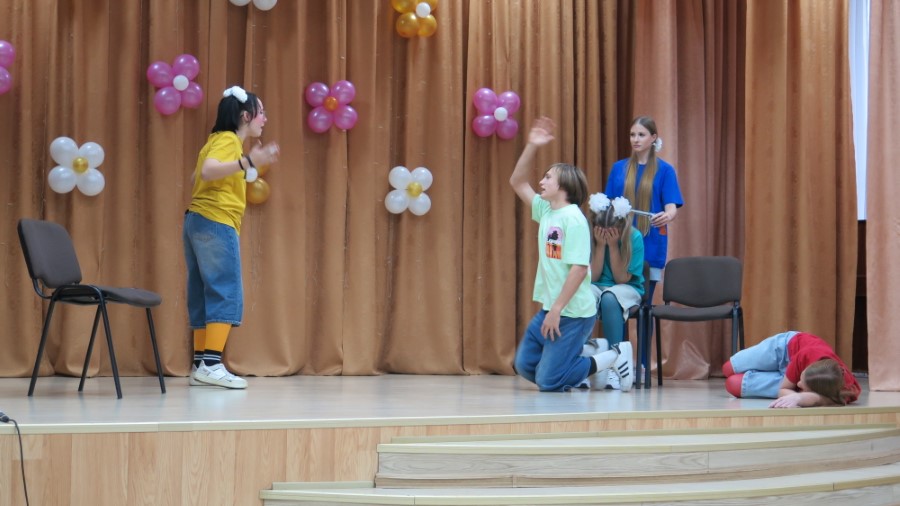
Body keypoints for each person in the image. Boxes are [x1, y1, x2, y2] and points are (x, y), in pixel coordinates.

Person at [509, 117, 633, 392]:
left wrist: (557, 310)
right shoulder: (546, 210)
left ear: (564, 185)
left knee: (548, 381)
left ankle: (611, 357)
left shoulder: (574, 220)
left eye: (548, 177)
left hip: (573, 313)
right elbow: (517, 181)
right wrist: (532, 145)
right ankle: (586, 353)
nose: (541, 181)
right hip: (551, 308)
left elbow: (579, 269)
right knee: (525, 365)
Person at [183, 85, 279, 389]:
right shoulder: (227, 140)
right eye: (261, 112)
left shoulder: (215, 140)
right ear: (245, 116)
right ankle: (211, 364)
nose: (264, 119)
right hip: (216, 221)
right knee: (225, 291)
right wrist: (248, 162)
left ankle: (201, 364)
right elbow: (208, 172)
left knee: (203, 292)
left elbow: (199, 175)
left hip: (197, 220)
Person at [604, 116, 683, 304]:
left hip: (651, 241)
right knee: (613, 301)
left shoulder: (665, 170)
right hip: (620, 242)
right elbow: (608, 204)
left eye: (641, 135)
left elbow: (671, 208)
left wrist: (667, 216)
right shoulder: (618, 168)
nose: (635, 139)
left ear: (653, 137)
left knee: (643, 305)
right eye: (632, 135)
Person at [582, 193, 644, 391]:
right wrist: (601, 246)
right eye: (601, 231)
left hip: (627, 287)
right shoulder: (588, 236)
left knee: (609, 298)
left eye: (611, 231)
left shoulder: (634, 237)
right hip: (596, 284)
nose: (606, 234)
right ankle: (581, 365)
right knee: (582, 295)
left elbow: (621, 279)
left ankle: (615, 366)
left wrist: (613, 247)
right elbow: (592, 277)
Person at [722, 331, 861, 408]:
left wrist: (799, 397)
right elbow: (783, 389)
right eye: (800, 379)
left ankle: (765, 375)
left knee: (732, 384)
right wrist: (803, 395)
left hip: (791, 379)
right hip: (785, 349)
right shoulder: (806, 355)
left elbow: (832, 399)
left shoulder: (846, 390)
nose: (798, 384)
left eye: (802, 387)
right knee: (727, 369)